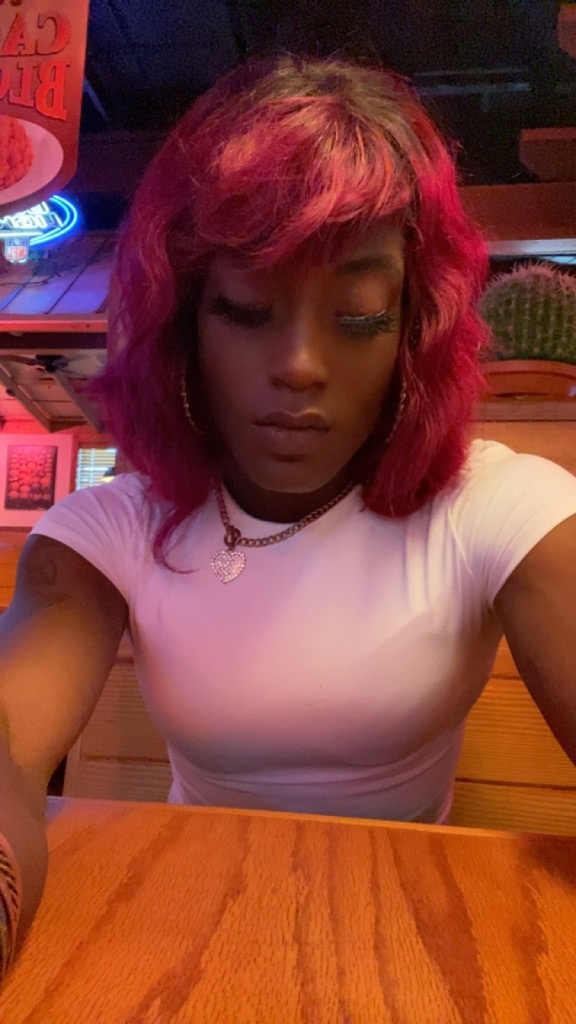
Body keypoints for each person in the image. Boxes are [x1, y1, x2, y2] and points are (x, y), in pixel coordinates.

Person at [2, 53, 576, 977]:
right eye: (245, 309)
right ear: (184, 325)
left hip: (410, 929)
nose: (301, 365)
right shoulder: (105, 531)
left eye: (358, 315)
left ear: (412, 328)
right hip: (181, 919)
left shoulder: (498, 506)